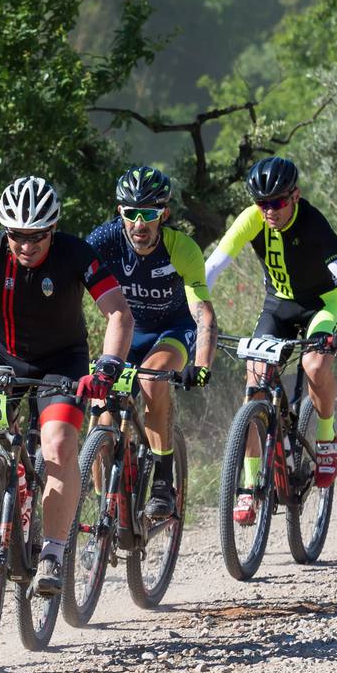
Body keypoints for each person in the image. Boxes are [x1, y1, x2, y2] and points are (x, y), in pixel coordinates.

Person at [0, 176, 132, 596]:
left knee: (59, 444)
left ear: (53, 230)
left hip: (62, 361)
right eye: (17, 237)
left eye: (36, 237)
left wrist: (108, 366)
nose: (26, 246)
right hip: (0, 355)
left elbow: (118, 313)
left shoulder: (75, 253)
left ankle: (52, 554)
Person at [204, 156, 337, 525]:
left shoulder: (312, 222)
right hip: (279, 306)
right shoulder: (253, 219)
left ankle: (325, 437)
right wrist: (193, 313)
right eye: (262, 203)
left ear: (295, 196)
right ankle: (248, 485)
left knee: (314, 363)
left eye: (276, 202)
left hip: (323, 305)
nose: (269, 210)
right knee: (255, 382)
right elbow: (212, 268)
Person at [84, 166, 215, 517]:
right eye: (132, 214)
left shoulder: (181, 248)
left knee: (151, 379)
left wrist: (201, 364)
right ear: (120, 212)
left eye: (150, 214)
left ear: (164, 214)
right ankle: (104, 513)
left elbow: (202, 312)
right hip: (128, 331)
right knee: (100, 416)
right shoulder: (104, 240)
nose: (140, 224)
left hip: (174, 329)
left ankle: (162, 480)